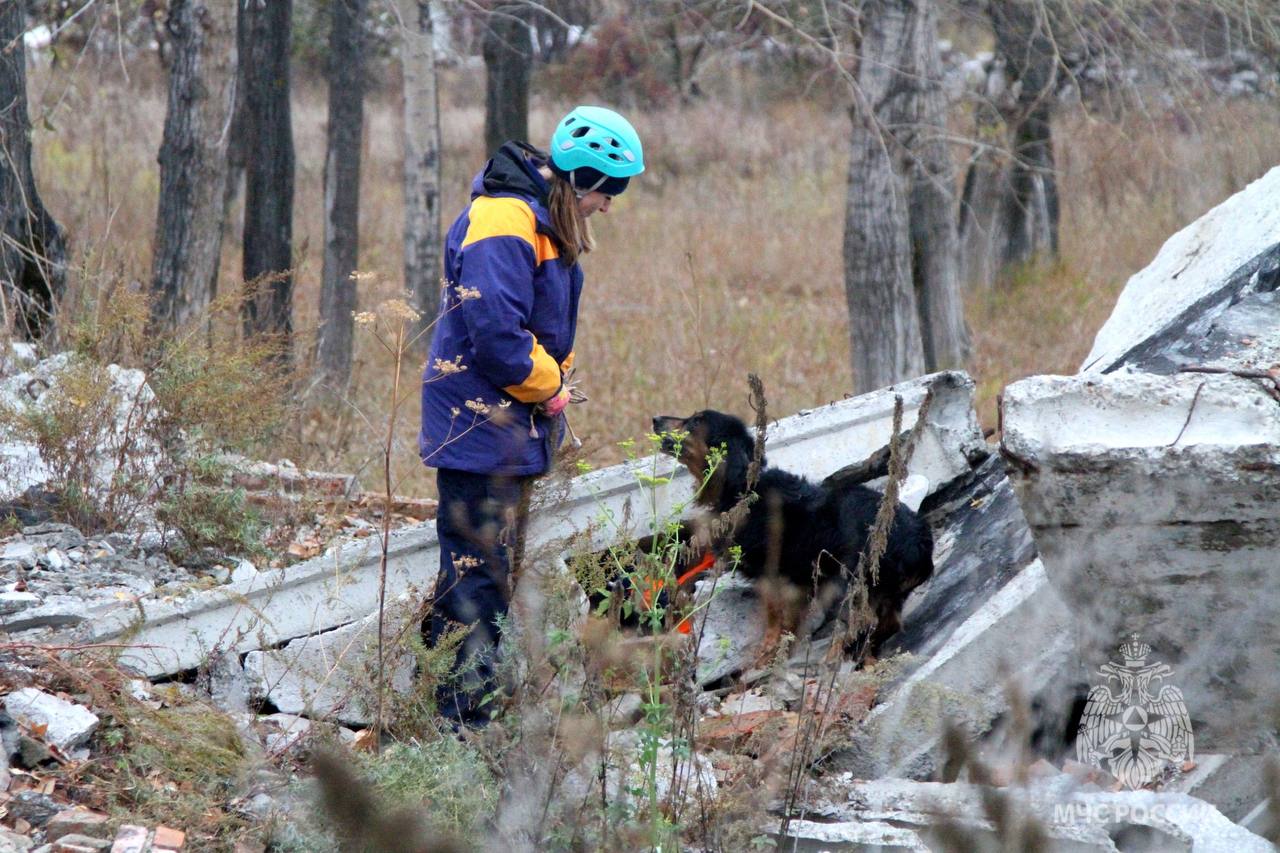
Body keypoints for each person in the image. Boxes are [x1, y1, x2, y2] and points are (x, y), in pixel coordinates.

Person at [418, 106, 645, 727]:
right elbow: (496, 334)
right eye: (607, 192)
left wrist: (551, 389)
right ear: (579, 179)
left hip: (503, 425)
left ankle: (434, 694)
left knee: (479, 569)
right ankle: (464, 725)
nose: (609, 206)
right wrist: (550, 390)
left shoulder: (541, 216)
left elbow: (534, 323)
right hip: (477, 423)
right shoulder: (506, 216)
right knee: (478, 578)